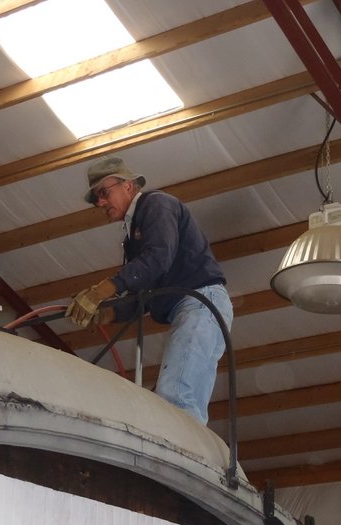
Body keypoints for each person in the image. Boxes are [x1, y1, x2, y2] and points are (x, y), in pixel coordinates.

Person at [66, 156, 233, 425]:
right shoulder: (134, 237)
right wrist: (106, 314)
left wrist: (104, 289)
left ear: (128, 186)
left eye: (103, 193)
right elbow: (145, 296)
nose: (100, 203)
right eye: (97, 198)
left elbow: (158, 258)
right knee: (179, 397)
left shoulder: (156, 204)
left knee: (176, 397)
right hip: (195, 305)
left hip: (201, 301)